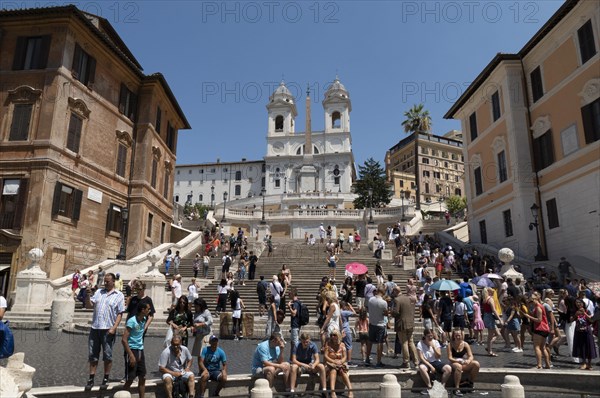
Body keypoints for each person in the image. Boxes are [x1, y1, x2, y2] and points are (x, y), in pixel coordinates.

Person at [85, 273, 125, 389]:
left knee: (107, 355)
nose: (105, 283)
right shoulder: (98, 292)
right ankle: (91, 378)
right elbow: (89, 306)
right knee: (93, 354)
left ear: (113, 282)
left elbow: (120, 313)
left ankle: (106, 377)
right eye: (104, 281)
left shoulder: (119, 295)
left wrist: (114, 327)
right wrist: (88, 296)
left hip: (108, 329)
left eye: (108, 281)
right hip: (95, 328)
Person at [121, 301, 151, 398]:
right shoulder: (132, 321)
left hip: (140, 350)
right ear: (143, 310)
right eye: (148, 309)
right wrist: (130, 355)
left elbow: (151, 317)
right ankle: (122, 395)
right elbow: (124, 340)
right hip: (132, 350)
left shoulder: (144, 319)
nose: (149, 311)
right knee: (131, 378)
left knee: (142, 377)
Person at [521, 292, 551, 369]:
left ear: (535, 299)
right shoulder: (539, 306)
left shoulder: (538, 307)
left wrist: (528, 316)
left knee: (537, 347)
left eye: (531, 301)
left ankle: (539, 365)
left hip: (540, 328)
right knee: (543, 347)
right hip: (545, 329)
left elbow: (539, 320)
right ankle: (547, 364)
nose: (530, 303)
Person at [392, 286, 418, 369]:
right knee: (411, 342)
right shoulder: (408, 298)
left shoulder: (397, 300)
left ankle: (406, 362)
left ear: (396, 291)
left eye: (393, 292)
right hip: (410, 322)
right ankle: (416, 362)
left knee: (404, 342)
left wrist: (390, 313)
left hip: (402, 324)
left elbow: (396, 312)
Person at [447, 329, 480, 396]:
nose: (458, 337)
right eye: (456, 336)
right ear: (453, 336)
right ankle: (457, 388)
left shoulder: (465, 344)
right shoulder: (450, 344)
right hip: (454, 362)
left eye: (459, 335)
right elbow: (450, 357)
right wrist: (458, 361)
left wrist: (468, 361)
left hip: (463, 362)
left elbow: (471, 356)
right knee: (458, 367)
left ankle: (470, 382)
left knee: (476, 364)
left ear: (462, 336)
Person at [324, 330, 354, 398]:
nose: (332, 336)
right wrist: (333, 361)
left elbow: (345, 356)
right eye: (331, 335)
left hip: (340, 363)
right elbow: (325, 356)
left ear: (338, 336)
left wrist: (341, 361)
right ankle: (332, 392)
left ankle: (350, 390)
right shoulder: (328, 344)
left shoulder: (342, 344)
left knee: (342, 371)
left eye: (334, 335)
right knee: (333, 370)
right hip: (330, 363)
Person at [572, 298, 597, 369]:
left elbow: (591, 320)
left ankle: (589, 364)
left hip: (587, 331)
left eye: (579, 302)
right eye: (576, 303)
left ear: (583, 303)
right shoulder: (576, 312)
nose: (578, 304)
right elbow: (571, 320)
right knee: (581, 347)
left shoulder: (587, 311)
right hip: (579, 331)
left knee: (589, 346)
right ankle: (583, 363)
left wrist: (584, 313)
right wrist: (575, 315)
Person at [366, 286, 388, 367]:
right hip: (380, 324)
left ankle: (367, 358)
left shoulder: (371, 299)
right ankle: (378, 361)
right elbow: (386, 313)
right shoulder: (384, 302)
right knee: (380, 342)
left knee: (370, 341)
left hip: (372, 323)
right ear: (383, 292)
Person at [482, 287, 502, 357]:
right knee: (490, 336)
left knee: (497, 333)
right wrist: (499, 319)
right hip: (490, 317)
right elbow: (494, 310)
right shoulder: (490, 299)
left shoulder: (484, 299)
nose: (493, 291)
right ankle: (490, 351)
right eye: (491, 290)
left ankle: (488, 346)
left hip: (486, 316)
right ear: (489, 292)